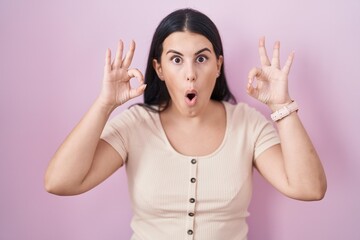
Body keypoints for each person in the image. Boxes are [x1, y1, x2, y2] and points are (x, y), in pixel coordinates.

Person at [45, 8, 327, 240]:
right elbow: (60, 182)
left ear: (218, 66)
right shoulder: (135, 124)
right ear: (159, 69)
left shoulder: (248, 124)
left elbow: (309, 188)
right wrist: (104, 104)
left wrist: (281, 106)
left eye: (201, 58)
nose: (190, 74)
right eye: (176, 60)